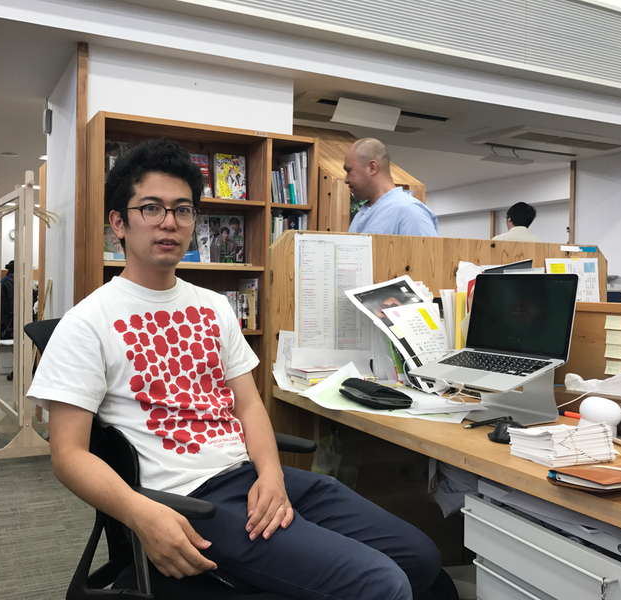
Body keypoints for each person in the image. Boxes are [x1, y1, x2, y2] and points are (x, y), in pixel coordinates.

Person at [27, 138, 440, 600]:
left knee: (420, 557)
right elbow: (68, 455)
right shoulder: (87, 322)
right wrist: (141, 515)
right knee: (382, 584)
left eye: (183, 210)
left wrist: (272, 475)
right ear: (119, 223)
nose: (169, 222)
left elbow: (248, 405)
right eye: (152, 208)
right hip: (190, 500)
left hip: (251, 476)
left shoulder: (214, 307)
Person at [345, 138, 439, 237]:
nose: (346, 180)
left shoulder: (410, 212)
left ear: (372, 168)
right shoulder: (360, 216)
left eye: (349, 171)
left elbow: (425, 248)